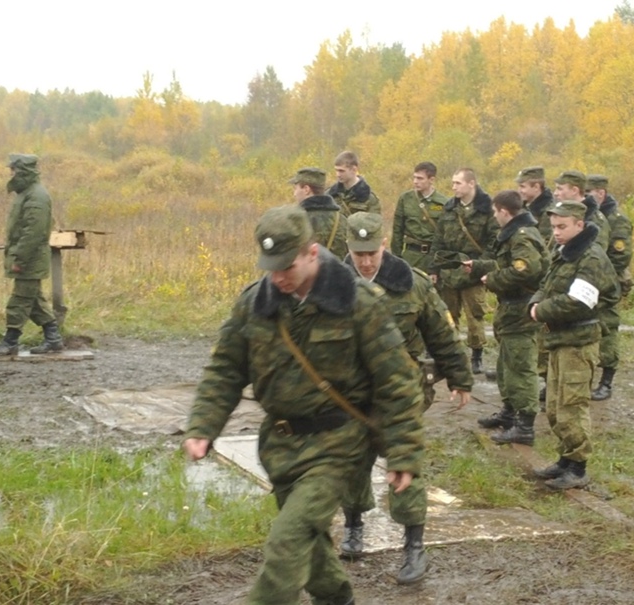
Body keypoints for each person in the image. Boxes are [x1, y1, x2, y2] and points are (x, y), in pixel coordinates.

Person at [183, 205, 424, 605]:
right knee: (307, 541)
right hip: (280, 446)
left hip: (338, 444)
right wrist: (202, 427)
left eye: (287, 267)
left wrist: (404, 452)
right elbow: (225, 368)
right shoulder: (255, 303)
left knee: (286, 540)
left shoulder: (357, 301)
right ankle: (337, 597)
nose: (278, 277)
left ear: (312, 253)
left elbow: (397, 380)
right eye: (270, 267)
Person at [341, 211, 473, 584]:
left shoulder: (411, 284)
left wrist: (460, 378)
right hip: (351, 393)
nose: (366, 261)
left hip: (402, 390)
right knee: (352, 460)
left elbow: (442, 334)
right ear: (348, 248)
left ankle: (413, 545)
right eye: (358, 253)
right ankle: (353, 525)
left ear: (384, 244)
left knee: (405, 462)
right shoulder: (331, 284)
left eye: (372, 252)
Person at [529, 201, 620, 490]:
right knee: (555, 406)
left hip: (578, 342)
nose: (556, 232)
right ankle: (566, 459)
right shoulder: (565, 254)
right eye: (554, 227)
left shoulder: (590, 257)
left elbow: (579, 301)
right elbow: (548, 282)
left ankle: (578, 467)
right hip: (559, 340)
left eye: (562, 226)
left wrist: (541, 311)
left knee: (572, 405)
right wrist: (536, 301)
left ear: (579, 225)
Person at [465, 191, 550, 444]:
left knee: (520, 367)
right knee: (506, 365)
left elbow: (527, 270)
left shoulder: (523, 236)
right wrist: (480, 267)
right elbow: (509, 266)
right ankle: (509, 413)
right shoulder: (515, 234)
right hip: (511, 309)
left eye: (495, 212)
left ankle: (525, 427)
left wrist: (492, 279)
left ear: (504, 211)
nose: (494, 216)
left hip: (521, 309)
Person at [0, 154, 64, 357]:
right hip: (28, 257)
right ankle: (53, 339)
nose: (10, 174)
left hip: (30, 258)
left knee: (19, 300)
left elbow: (33, 232)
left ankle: (10, 341)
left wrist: (19, 258)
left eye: (13, 170)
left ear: (23, 171)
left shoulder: (36, 196)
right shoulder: (27, 193)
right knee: (35, 300)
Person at [428, 168, 499, 375]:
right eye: (452, 183)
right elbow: (438, 239)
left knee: (475, 314)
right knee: (448, 316)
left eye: (458, 183)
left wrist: (480, 265)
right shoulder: (449, 209)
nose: (453, 187)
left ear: (471, 184)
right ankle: (451, 355)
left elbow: (494, 242)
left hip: (473, 271)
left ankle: (476, 356)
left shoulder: (487, 210)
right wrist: (434, 268)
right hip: (450, 269)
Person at [586, 174, 634, 401]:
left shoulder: (616, 219)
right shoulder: (590, 216)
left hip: (609, 282)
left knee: (608, 327)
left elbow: (620, 255)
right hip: (590, 280)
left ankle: (607, 380)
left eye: (589, 193)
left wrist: (605, 279)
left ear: (600, 193)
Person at [390, 161, 448, 272]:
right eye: (414, 178)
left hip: (433, 258)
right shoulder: (406, 199)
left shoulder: (444, 203)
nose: (415, 182)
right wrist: (396, 259)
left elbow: (445, 237)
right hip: (411, 256)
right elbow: (397, 231)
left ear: (431, 180)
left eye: (420, 178)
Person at [289, 166, 348, 259]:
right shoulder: (342, 219)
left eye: (296, 188)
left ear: (306, 189)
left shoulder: (296, 222)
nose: (294, 193)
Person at [327, 151, 381, 216]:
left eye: (341, 171)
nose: (338, 174)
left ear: (354, 169)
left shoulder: (368, 198)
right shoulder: (330, 195)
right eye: (336, 170)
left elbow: (374, 223)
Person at [515, 166, 554, 248]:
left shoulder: (549, 212)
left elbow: (544, 244)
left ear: (536, 187)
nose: (519, 190)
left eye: (522, 186)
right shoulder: (521, 207)